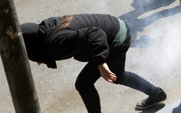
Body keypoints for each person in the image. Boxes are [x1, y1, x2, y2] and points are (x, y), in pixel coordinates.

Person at [21, 14, 167, 112]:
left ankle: (156, 93)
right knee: (119, 75)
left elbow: (96, 34)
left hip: (115, 39)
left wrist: (101, 62)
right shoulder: (45, 32)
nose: (38, 62)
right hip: (116, 27)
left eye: (34, 57)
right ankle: (156, 93)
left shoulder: (55, 43)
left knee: (83, 84)